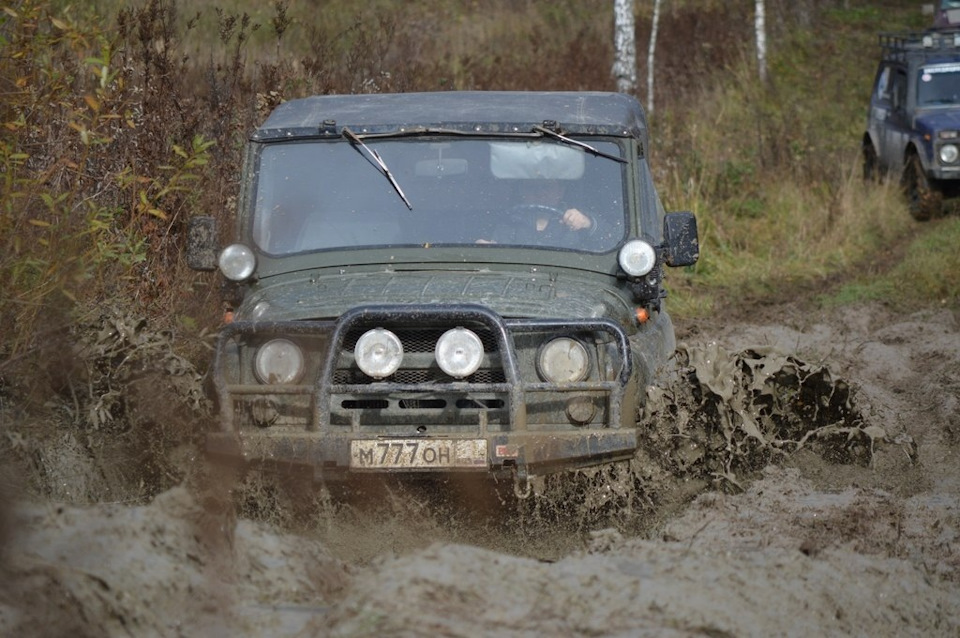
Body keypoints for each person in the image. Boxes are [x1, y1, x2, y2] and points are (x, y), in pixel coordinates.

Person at [479, 179, 600, 247]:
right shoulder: (509, 221)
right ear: (522, 192)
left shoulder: (578, 219)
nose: (539, 193)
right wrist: (486, 249)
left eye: (546, 187)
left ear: (560, 191)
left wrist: (587, 223)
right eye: (531, 188)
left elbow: (610, 242)